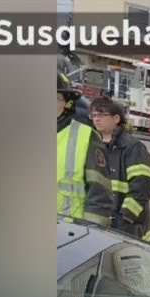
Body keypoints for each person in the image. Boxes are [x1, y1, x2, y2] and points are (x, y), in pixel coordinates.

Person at [88, 97, 150, 242]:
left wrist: (126, 218)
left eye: (102, 115)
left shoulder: (133, 148)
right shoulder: (92, 145)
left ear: (116, 118)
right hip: (100, 223)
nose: (96, 119)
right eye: (94, 115)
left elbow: (142, 186)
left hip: (129, 227)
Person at [58, 73, 113, 225]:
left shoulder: (86, 137)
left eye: (56, 98)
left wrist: (90, 233)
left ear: (68, 103)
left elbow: (99, 197)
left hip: (68, 232)